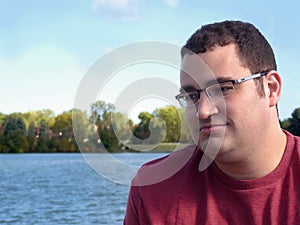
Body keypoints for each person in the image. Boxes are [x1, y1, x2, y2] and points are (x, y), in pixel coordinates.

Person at [123, 20, 300, 225]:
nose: (203, 111)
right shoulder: (152, 188)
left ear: (271, 89)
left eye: (222, 88)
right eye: (192, 96)